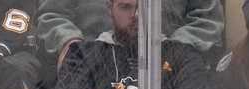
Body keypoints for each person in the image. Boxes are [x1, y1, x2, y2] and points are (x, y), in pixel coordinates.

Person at [55, 0, 209, 89]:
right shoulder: (81, 54)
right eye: (125, 7)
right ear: (110, 8)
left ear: (157, 9)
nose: (136, 16)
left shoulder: (184, 55)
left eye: (144, 8)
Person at [38, 0, 223, 71]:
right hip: (91, 68)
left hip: (166, 70)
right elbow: (52, 15)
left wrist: (176, 49)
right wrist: (69, 41)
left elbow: (207, 19)